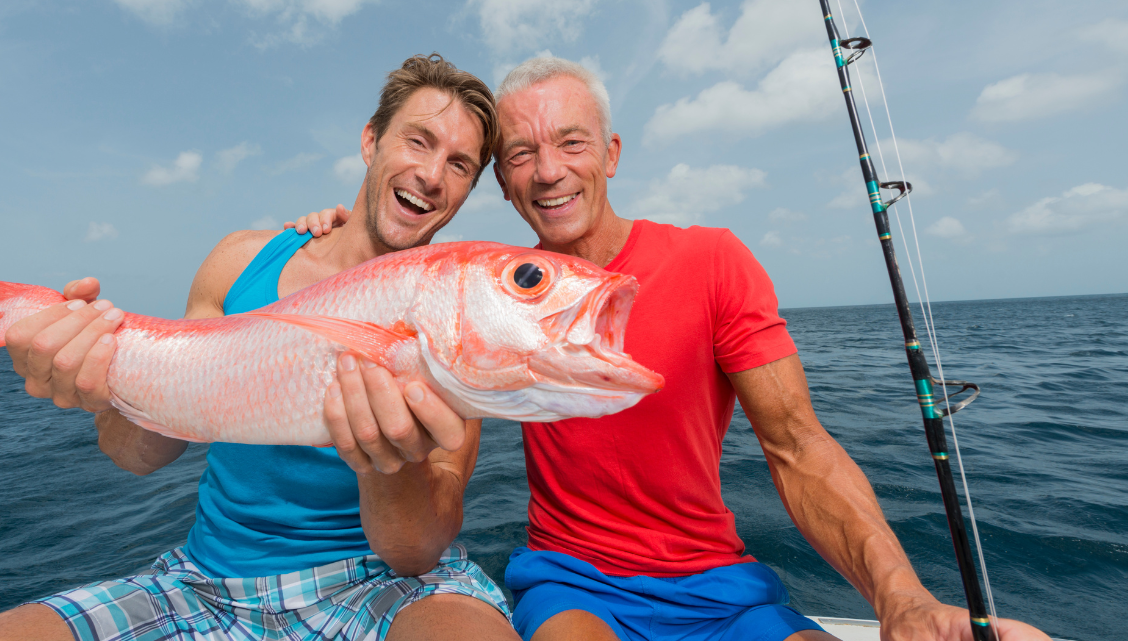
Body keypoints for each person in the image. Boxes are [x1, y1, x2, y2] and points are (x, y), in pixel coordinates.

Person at [290, 57, 1051, 641]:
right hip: (570, 585)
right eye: (519, 154)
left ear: (611, 154)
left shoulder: (713, 262)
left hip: (721, 585)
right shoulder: (489, 304)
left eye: (571, 142)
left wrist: (902, 600)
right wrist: (332, 240)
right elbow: (444, 469)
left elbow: (798, 449)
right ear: (503, 185)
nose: (548, 169)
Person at [0, 54, 521, 641]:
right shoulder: (242, 259)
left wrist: (390, 459)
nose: (432, 174)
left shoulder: (458, 324)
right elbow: (137, 454)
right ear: (371, 142)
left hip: (385, 586)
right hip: (204, 583)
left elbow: (415, 552)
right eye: (418, 141)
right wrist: (98, 387)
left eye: (459, 165)